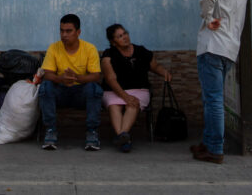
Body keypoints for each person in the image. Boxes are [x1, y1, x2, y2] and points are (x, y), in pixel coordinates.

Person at [191, 0, 248, 164]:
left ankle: (215, 149)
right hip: (230, 49)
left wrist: (208, 18)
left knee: (213, 100)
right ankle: (208, 143)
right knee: (211, 99)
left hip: (212, 46)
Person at [100, 23, 172, 153]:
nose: (125, 37)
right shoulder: (108, 55)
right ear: (113, 42)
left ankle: (122, 137)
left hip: (139, 89)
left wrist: (164, 73)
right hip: (114, 91)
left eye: (125, 33)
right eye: (119, 36)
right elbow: (111, 79)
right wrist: (125, 96)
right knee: (114, 105)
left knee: (133, 104)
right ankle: (124, 138)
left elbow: (155, 66)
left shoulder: (141, 51)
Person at [38, 13, 103, 151]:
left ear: (78, 32)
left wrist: (77, 78)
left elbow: (96, 76)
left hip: (81, 93)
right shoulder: (54, 48)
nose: (64, 35)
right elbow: (47, 74)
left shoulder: (89, 48)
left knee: (94, 88)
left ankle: (92, 132)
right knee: (46, 86)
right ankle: (50, 130)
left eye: (68, 31)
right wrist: (60, 79)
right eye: (61, 31)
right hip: (60, 92)